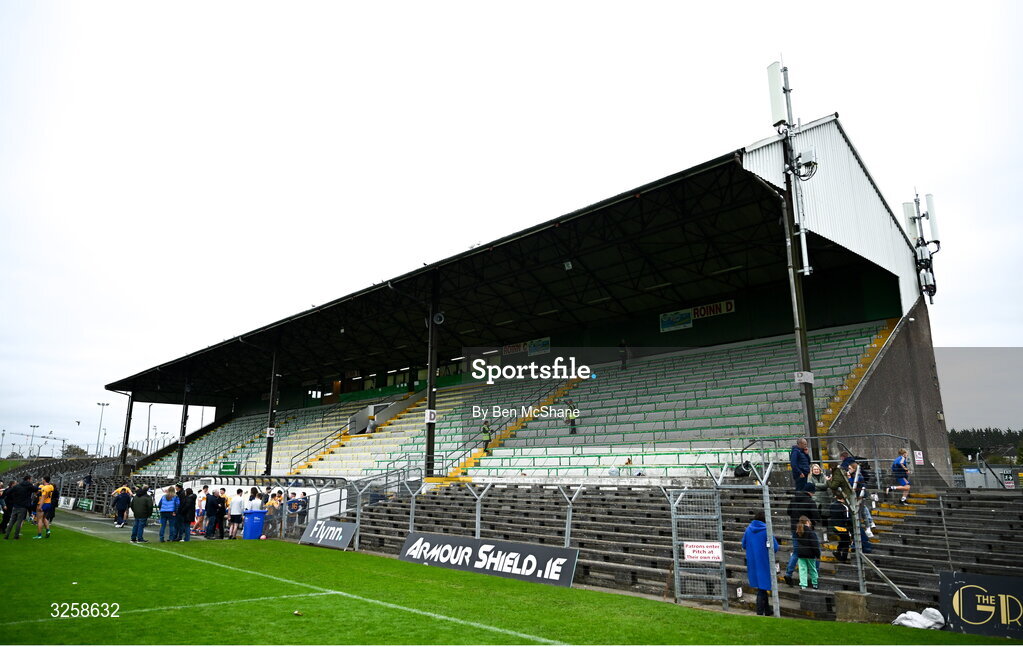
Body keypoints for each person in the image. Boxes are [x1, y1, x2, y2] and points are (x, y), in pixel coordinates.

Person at [741, 511, 780, 616]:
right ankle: (759, 612)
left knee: (761, 586)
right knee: (762, 587)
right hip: (764, 561)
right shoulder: (767, 530)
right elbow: (775, 547)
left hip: (753, 562)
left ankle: (767, 610)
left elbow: (743, 545)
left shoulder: (748, 529)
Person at [783, 483, 820, 586]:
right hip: (807, 530)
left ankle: (788, 573)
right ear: (811, 492)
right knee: (814, 551)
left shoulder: (794, 499)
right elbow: (816, 516)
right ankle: (815, 575)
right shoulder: (810, 501)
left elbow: (788, 511)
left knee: (796, 552)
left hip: (795, 529)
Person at [3, 475, 36, 540]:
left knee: (12, 521)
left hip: (15, 506)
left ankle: (6, 536)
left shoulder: (17, 486)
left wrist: (14, 497)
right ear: (28, 479)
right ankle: (16, 536)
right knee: (19, 522)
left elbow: (7, 492)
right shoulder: (29, 486)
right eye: (31, 479)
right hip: (23, 507)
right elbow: (35, 489)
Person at [794, 515, 821, 590]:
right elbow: (815, 545)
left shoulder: (798, 531)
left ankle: (803, 585)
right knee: (812, 569)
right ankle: (815, 583)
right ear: (807, 522)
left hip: (801, 554)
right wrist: (818, 555)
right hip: (810, 554)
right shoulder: (811, 533)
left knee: (802, 570)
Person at [828, 491, 852, 563]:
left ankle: (838, 552)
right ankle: (843, 558)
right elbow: (847, 519)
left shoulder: (832, 505)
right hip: (842, 527)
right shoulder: (844, 507)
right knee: (847, 541)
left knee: (843, 540)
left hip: (834, 526)